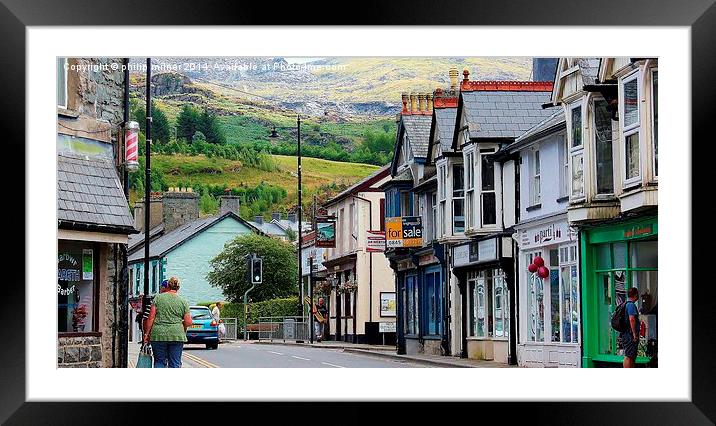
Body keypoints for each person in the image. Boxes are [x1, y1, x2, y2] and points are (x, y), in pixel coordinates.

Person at [143, 277, 192, 368]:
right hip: (177, 335)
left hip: (158, 335)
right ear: (178, 288)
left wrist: (146, 334)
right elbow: (188, 322)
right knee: (175, 363)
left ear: (168, 286)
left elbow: (151, 318)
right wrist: (180, 325)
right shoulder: (183, 301)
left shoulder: (158, 298)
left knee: (159, 362)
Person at [621, 287, 640, 368]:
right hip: (630, 334)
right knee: (628, 356)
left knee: (631, 355)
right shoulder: (631, 305)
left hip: (627, 333)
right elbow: (631, 319)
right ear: (635, 295)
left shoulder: (626, 304)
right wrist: (634, 334)